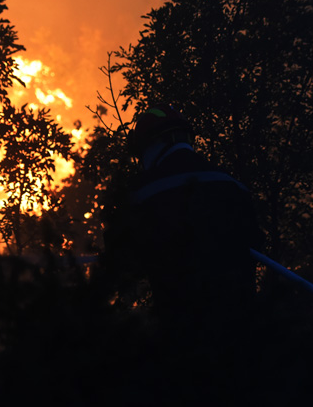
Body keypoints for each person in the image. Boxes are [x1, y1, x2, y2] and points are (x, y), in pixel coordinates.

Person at [103, 106, 263, 329]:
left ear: (153, 143)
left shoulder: (141, 194)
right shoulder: (232, 185)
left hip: (183, 330)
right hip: (242, 327)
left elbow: (123, 261)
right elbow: (256, 244)